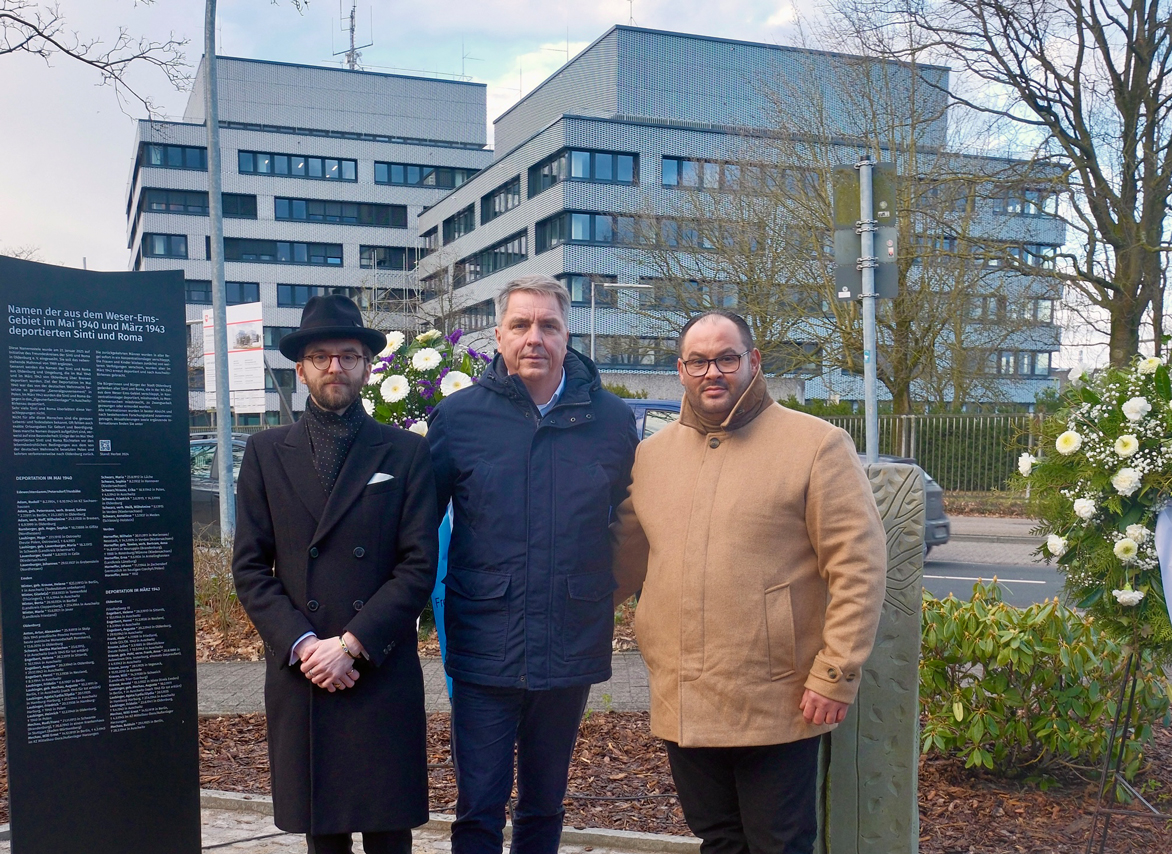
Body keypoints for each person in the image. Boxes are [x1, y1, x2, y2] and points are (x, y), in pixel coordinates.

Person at [612, 310, 888, 854]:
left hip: (778, 698)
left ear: (754, 361)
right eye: (698, 361)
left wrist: (836, 672)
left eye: (726, 358)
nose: (712, 372)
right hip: (683, 693)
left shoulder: (816, 444)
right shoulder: (652, 456)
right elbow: (621, 561)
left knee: (778, 843)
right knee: (716, 838)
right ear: (681, 369)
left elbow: (858, 565)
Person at [426, 274, 638, 854]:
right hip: (483, 643)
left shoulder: (613, 421)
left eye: (549, 324)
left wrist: (601, 592)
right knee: (478, 808)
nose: (534, 337)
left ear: (568, 335)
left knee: (545, 804)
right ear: (498, 335)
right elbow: (419, 526)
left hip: (569, 638)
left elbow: (630, 521)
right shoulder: (459, 419)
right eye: (520, 325)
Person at [232, 294, 438, 854]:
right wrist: (306, 646)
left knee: (389, 834)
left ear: (367, 365)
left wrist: (351, 644)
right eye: (320, 356)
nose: (334, 367)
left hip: (377, 664)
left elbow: (418, 567)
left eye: (347, 355)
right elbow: (250, 568)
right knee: (323, 838)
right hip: (307, 673)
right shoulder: (265, 452)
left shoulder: (405, 453)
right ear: (300, 368)